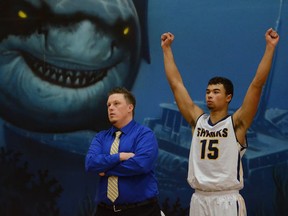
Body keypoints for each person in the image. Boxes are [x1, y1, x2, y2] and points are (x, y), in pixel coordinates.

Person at [161, 28, 279, 216]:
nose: (210, 95)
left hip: (227, 200)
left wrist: (270, 48)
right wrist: (166, 49)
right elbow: (176, 84)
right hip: (199, 198)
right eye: (208, 92)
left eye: (216, 92)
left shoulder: (237, 123)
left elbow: (257, 84)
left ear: (228, 98)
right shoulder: (196, 120)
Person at [85, 87, 163, 216]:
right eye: (108, 105)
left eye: (116, 104)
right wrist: (119, 157)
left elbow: (141, 165)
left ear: (130, 108)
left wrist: (105, 169)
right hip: (105, 210)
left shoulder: (144, 135)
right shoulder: (100, 137)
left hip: (141, 210)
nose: (110, 108)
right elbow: (90, 164)